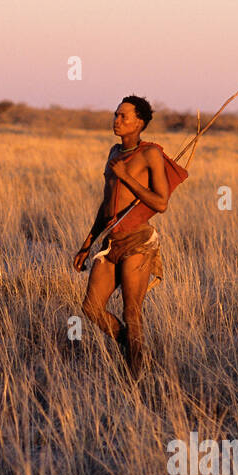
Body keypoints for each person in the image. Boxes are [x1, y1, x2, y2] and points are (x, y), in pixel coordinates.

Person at [73, 96, 185, 374]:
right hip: (111, 240)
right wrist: (87, 244)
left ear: (140, 122)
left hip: (137, 240)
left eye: (124, 116)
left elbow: (161, 203)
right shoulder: (114, 153)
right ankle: (138, 352)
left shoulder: (150, 154)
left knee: (131, 312)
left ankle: (135, 378)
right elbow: (106, 203)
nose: (117, 120)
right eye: (116, 115)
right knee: (91, 309)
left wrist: (126, 177)